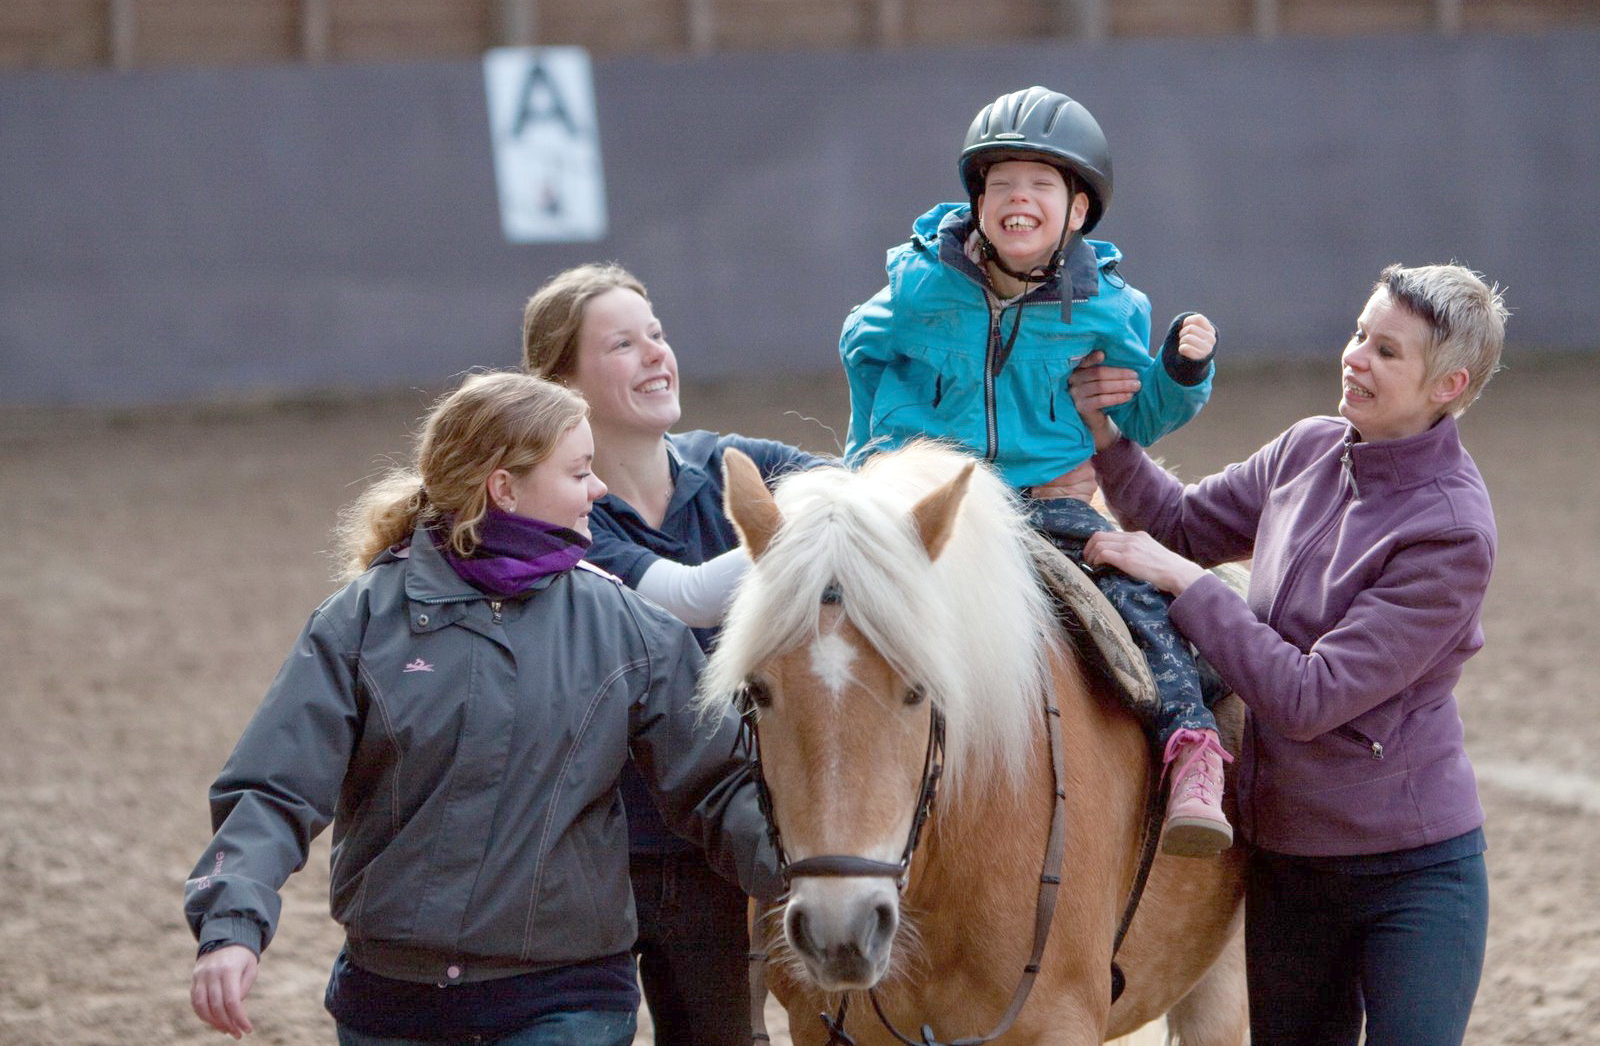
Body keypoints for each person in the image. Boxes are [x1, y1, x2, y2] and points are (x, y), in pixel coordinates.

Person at [183, 371, 779, 1044]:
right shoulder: (362, 619)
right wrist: (231, 924)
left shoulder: (630, 629)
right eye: (579, 471)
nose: (599, 488)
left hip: (567, 998)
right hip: (390, 1002)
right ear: (504, 486)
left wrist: (831, 882)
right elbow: (272, 785)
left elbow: (720, 785)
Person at [1073, 263, 1506, 1045]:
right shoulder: (1309, 446)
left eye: (1387, 351)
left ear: (1450, 384)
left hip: (1411, 878)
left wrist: (1183, 584)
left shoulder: (1451, 532)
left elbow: (1309, 696)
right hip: (1287, 865)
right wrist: (1106, 436)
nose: (1356, 357)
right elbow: (1181, 524)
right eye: (1359, 335)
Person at [839, 84, 1231, 854]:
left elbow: (1136, 419)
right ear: (978, 200)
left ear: (1078, 211)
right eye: (1002, 183)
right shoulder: (916, 289)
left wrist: (1181, 374)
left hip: (1048, 503)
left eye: (1041, 185)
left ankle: (1193, 752)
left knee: (1137, 603)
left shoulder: (1109, 310)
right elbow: (860, 348)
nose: (1020, 198)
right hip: (932, 504)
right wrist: (870, 464)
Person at [521, 263, 825, 1045]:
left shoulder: (732, 461)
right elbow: (682, 597)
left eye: (656, 334)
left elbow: (852, 491)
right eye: (623, 343)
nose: (657, 354)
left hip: (713, 840)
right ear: (564, 384)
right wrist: (801, 538)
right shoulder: (568, 514)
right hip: (592, 850)